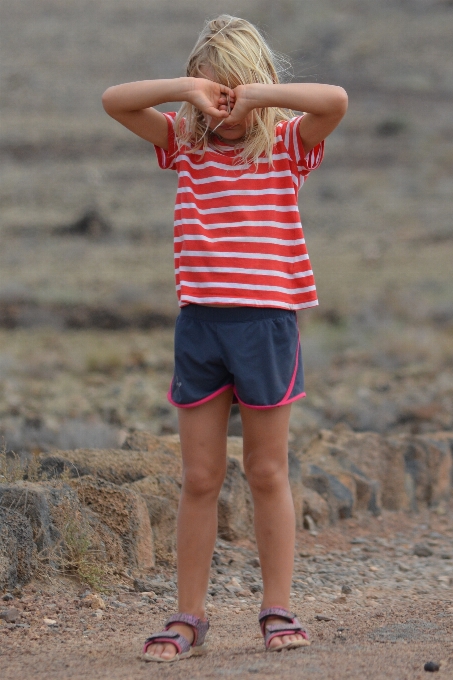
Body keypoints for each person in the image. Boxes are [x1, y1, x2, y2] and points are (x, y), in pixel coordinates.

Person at [102, 14, 347, 663]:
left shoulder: (288, 144)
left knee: (267, 470)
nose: (227, 108)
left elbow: (336, 102)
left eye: (237, 93)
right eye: (217, 94)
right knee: (199, 477)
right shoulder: (185, 143)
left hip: (267, 325)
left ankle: (277, 607)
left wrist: (261, 95)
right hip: (201, 325)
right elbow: (114, 101)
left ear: (261, 89)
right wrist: (188, 90)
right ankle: (188, 616)